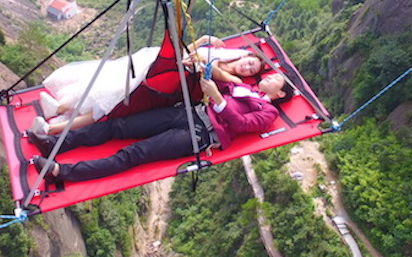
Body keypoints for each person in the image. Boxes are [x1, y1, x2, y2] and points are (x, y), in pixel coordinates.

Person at [28, 73, 295, 183]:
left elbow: (241, 123)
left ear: (280, 94)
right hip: (188, 113)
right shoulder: (243, 86)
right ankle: (57, 143)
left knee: (133, 154)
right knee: (119, 126)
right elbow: (218, 75)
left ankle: (64, 172)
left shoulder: (268, 112)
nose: (269, 76)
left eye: (275, 79)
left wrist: (219, 98)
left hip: (197, 134)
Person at [39, 35, 265, 133]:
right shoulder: (222, 54)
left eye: (252, 70)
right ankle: (61, 107)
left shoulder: (233, 78)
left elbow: (209, 69)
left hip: (170, 82)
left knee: (114, 101)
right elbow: (189, 51)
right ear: (243, 56)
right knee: (113, 79)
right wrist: (204, 41)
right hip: (164, 65)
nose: (247, 68)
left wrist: (203, 58)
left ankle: (54, 126)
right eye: (249, 62)